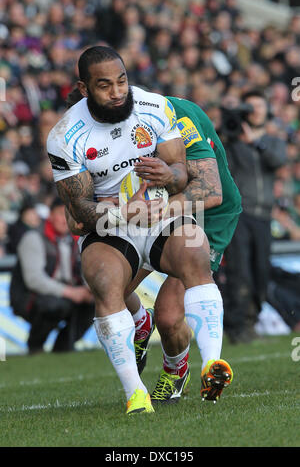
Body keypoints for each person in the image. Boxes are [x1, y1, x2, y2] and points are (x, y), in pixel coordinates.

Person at [48, 45, 232, 415]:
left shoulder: (154, 107)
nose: (118, 92)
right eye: (105, 86)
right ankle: (137, 393)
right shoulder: (65, 135)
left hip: (162, 213)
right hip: (112, 225)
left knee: (194, 255)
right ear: (84, 89)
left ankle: (213, 363)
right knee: (102, 279)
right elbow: (80, 208)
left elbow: (182, 172)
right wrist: (120, 213)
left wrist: (169, 174)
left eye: (122, 81)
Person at [124, 96, 242, 404]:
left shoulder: (176, 115)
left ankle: (177, 372)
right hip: (155, 209)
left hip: (205, 216)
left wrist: (147, 211)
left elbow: (211, 192)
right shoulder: (88, 128)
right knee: (110, 285)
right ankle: (139, 323)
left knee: (169, 314)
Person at [221, 89, 287, 343]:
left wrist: (254, 143)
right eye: (250, 107)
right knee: (240, 272)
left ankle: (251, 320)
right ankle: (238, 328)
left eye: (260, 105)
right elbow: (221, 163)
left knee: (261, 272)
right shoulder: (231, 140)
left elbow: (277, 161)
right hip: (240, 214)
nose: (256, 110)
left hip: (263, 215)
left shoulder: (273, 141)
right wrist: (228, 131)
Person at [9, 197, 94, 354]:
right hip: (30, 297)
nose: (65, 220)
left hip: (65, 294)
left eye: (69, 215)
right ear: (50, 216)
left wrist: (88, 291)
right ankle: (35, 345)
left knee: (95, 302)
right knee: (54, 305)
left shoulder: (77, 239)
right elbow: (34, 280)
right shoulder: (33, 238)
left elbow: (86, 271)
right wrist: (72, 293)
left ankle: (63, 347)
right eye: (61, 214)